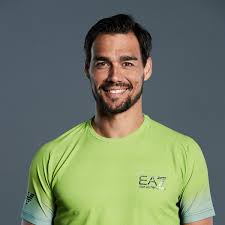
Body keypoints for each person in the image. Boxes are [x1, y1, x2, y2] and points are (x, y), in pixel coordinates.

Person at [21, 14, 215, 225]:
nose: (115, 76)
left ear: (147, 68)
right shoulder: (51, 157)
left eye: (128, 63)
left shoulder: (184, 152)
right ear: (88, 68)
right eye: (103, 63)